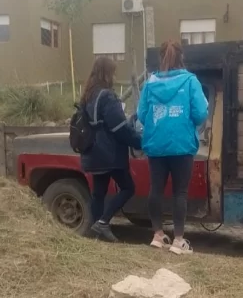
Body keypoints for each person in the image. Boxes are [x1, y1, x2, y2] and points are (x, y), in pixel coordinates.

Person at [137, 40, 208, 255]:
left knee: (156, 189)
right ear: (181, 57)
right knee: (180, 192)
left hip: (156, 145)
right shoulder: (190, 81)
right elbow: (200, 113)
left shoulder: (150, 83)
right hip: (182, 145)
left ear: (161, 58)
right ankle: (178, 241)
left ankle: (158, 235)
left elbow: (141, 115)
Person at [80, 56, 142, 242]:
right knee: (128, 187)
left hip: (92, 151)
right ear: (107, 73)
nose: (115, 76)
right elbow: (119, 127)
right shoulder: (107, 96)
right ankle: (103, 222)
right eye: (113, 72)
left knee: (98, 193)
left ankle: (96, 232)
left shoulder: (88, 95)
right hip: (110, 153)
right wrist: (138, 141)